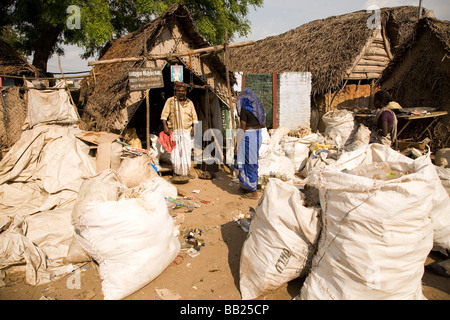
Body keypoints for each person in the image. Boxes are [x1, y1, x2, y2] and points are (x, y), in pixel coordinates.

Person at [160, 83, 198, 181]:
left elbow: (194, 117)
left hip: (186, 131)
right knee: (175, 152)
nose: (180, 93)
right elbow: (164, 115)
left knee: (186, 151)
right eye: (178, 91)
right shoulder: (170, 101)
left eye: (182, 91)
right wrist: (165, 127)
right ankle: (177, 172)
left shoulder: (190, 103)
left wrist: (194, 128)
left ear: (185, 92)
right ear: (175, 91)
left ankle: (185, 172)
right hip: (174, 131)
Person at [234, 89, 266, 199]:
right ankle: (245, 186)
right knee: (252, 160)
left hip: (248, 135)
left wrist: (237, 145)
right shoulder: (258, 109)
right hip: (257, 135)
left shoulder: (244, 109)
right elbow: (263, 125)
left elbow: (243, 127)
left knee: (248, 162)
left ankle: (252, 191)